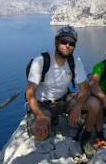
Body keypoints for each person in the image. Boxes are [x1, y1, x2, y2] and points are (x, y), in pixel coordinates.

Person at [25, 26, 99, 155]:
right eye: (63, 42)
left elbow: (84, 89)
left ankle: (85, 137)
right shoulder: (41, 61)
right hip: (44, 103)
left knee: (94, 104)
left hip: (64, 99)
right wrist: (40, 116)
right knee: (41, 134)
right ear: (56, 42)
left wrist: (77, 107)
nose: (67, 46)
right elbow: (30, 92)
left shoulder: (75, 61)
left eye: (71, 43)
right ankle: (49, 120)